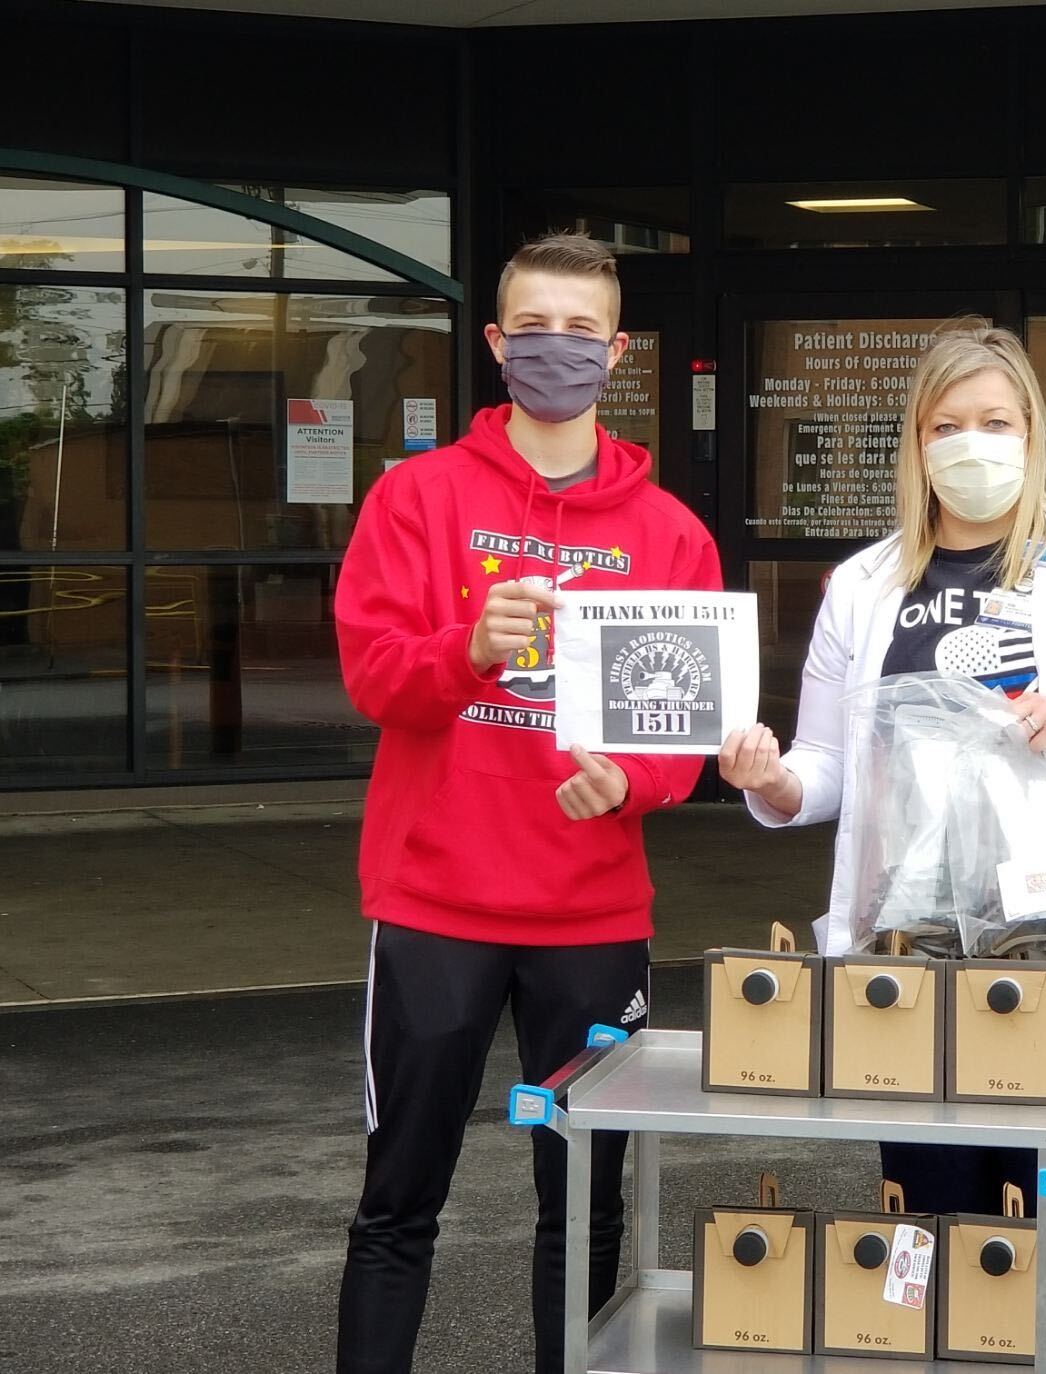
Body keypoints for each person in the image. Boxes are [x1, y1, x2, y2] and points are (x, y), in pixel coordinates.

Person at [718, 319, 1046, 1373]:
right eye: (947, 424)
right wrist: (770, 781)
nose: (971, 444)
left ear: (1033, 432)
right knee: (930, 1230)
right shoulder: (863, 586)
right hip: (907, 973)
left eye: (995, 421)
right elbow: (819, 772)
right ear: (914, 440)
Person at [333, 232, 721, 1373]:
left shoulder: (668, 536)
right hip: (436, 906)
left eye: (583, 332)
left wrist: (630, 781)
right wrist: (467, 648)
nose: (560, 350)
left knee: (585, 1209)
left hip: (591, 918)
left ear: (616, 351)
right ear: (499, 343)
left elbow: (678, 746)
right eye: (535, 329)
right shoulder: (418, 497)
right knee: (399, 1198)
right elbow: (373, 679)